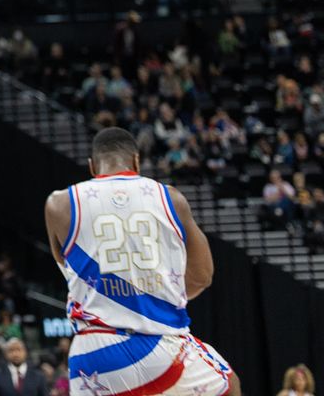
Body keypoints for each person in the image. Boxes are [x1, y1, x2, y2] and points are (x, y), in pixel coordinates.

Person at [43, 128, 239, 396]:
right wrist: (156, 297)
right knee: (229, 384)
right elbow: (203, 275)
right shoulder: (171, 198)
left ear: (92, 166)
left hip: (93, 353)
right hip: (159, 344)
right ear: (136, 162)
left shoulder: (59, 204)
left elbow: (66, 268)